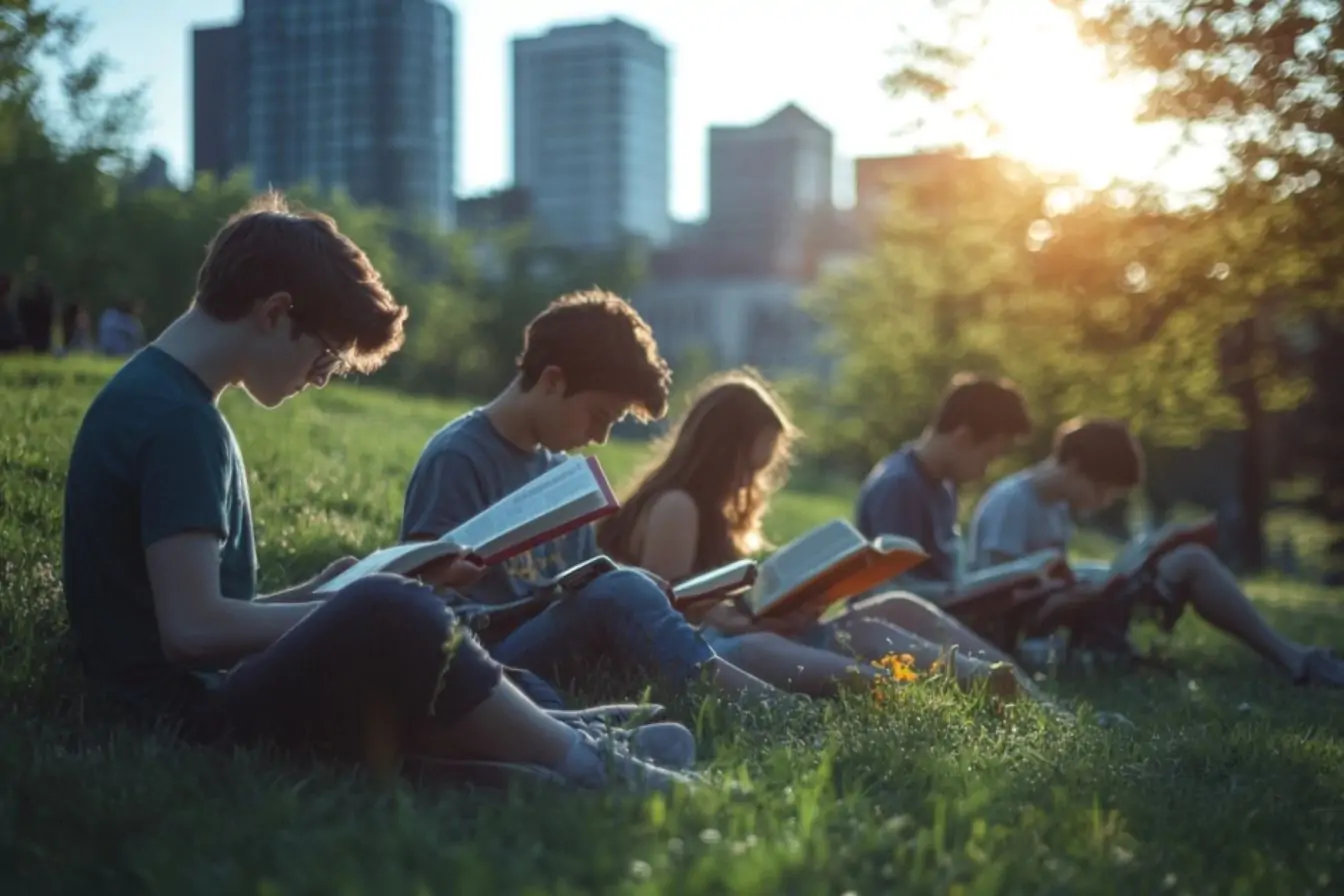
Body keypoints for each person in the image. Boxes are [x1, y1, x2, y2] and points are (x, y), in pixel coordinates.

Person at [60, 192, 694, 793]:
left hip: (201, 688)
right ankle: (586, 761)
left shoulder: (162, 398)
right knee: (397, 613)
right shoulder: (180, 424)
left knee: (398, 613)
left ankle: (562, 741)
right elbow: (193, 631)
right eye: (326, 358)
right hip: (191, 711)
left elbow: (193, 611)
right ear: (275, 313)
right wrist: (353, 606)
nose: (319, 379)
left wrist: (322, 589)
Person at [399, 290, 777, 702]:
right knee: (624, 592)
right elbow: (422, 600)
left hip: (556, 646)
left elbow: (581, 576)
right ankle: (760, 705)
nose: (600, 436)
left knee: (632, 591)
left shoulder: (561, 474)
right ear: (552, 381)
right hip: (486, 656)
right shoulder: (459, 457)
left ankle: (733, 694)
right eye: (598, 416)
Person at [595, 368, 1031, 701]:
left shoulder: (710, 508)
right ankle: (925, 690)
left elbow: (716, 605)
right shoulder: (676, 505)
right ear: (720, 453)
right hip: (699, 655)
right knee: (783, 646)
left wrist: (785, 605)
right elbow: (665, 613)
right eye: (748, 468)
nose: (749, 483)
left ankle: (1008, 683)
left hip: (742, 636)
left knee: (897, 606)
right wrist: (749, 620)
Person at [968, 417, 1344, 686]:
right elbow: (1001, 595)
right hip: (1042, 625)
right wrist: (1073, 594)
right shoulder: (1012, 503)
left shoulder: (1055, 505)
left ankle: (1292, 656)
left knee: (1188, 559)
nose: (1101, 503)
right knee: (1189, 562)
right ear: (1075, 466)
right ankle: (1293, 659)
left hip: (1075, 606)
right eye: (1101, 490)